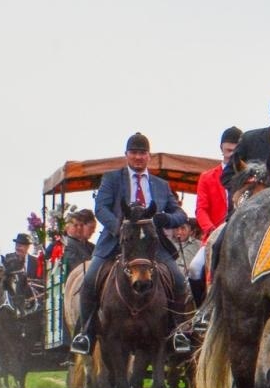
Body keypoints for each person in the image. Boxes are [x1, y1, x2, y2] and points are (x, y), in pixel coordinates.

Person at [69, 132, 192, 356]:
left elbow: (180, 213)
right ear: (126, 155)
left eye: (142, 153)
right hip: (117, 241)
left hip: (150, 246)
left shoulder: (161, 185)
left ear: (149, 156)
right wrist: (119, 228)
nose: (138, 157)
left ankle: (177, 332)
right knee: (89, 281)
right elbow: (101, 208)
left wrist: (166, 219)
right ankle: (86, 334)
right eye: (134, 152)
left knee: (178, 281)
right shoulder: (112, 179)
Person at [59, 209, 96, 275]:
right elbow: (76, 267)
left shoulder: (91, 246)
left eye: (81, 225)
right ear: (67, 227)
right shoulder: (66, 243)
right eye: (75, 225)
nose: (79, 228)